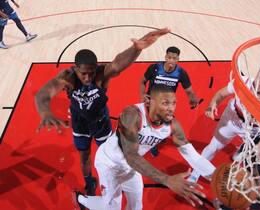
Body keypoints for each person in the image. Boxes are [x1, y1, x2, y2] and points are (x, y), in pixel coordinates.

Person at [34, 28, 170, 196]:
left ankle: (111, 180)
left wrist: (137, 48)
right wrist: (46, 113)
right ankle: (89, 181)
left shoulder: (101, 74)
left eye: (91, 73)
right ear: (75, 69)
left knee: (110, 155)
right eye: (83, 74)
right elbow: (43, 94)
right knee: (84, 155)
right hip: (80, 122)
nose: (87, 78)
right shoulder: (67, 76)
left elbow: (117, 64)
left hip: (101, 121)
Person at [75, 84, 216, 210]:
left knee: (137, 206)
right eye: (165, 103)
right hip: (109, 164)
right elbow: (131, 156)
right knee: (112, 207)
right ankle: (81, 199)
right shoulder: (132, 115)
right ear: (149, 101)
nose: (171, 108)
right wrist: (167, 180)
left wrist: (217, 176)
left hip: (131, 167)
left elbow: (193, 157)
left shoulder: (172, 125)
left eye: (174, 103)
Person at [188, 63, 260, 183]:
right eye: (259, 77)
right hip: (232, 118)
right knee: (213, 147)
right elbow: (221, 94)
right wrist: (212, 105)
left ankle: (243, 149)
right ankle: (194, 174)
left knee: (257, 157)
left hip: (254, 130)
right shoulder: (243, 82)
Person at [139, 46, 199, 156]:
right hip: (151, 103)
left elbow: (189, 91)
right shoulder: (155, 68)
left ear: (178, 59)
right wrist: (142, 94)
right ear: (166, 57)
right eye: (169, 57)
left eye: (174, 58)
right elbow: (143, 81)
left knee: (162, 125)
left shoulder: (181, 73)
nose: (171, 60)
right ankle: (147, 142)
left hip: (166, 105)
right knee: (148, 124)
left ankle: (155, 142)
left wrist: (193, 99)